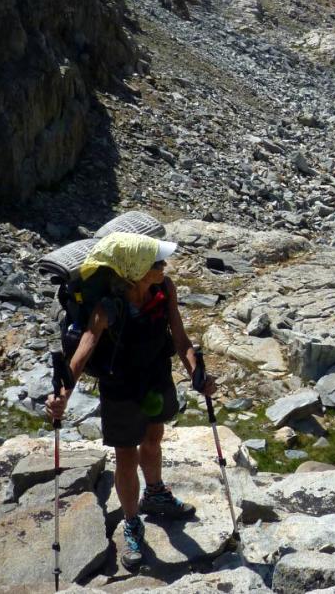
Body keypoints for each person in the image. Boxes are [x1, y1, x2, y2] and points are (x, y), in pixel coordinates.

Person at [46, 232, 216, 570]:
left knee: (153, 439)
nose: (164, 266)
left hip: (155, 375)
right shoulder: (107, 308)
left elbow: (180, 339)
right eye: (156, 262)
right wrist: (61, 397)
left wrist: (198, 374)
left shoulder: (164, 288)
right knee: (126, 455)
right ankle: (131, 521)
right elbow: (82, 354)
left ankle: (155, 494)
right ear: (133, 269)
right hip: (120, 385)